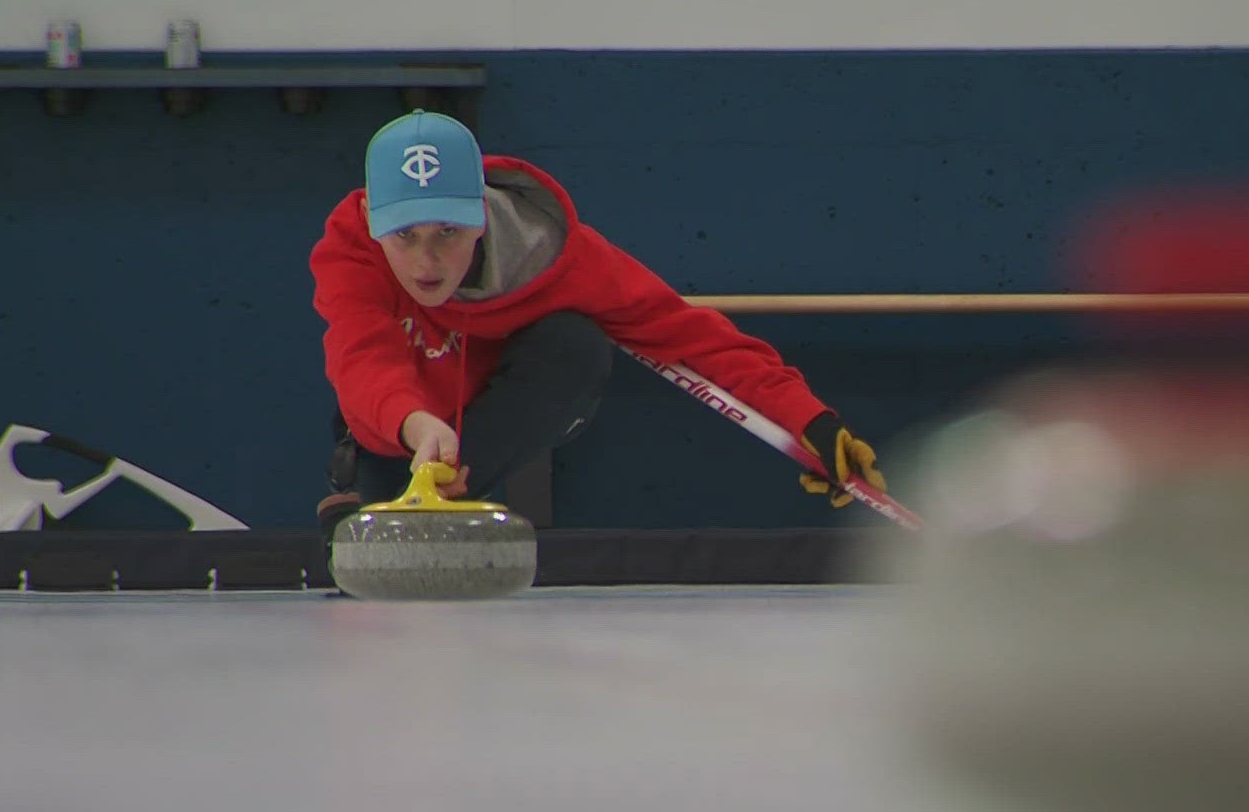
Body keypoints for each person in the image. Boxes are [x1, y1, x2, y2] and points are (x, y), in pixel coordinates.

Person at [310, 109, 885, 535]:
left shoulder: (557, 256)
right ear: (369, 217)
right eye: (404, 236)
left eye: (448, 233)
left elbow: (693, 339)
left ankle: (449, 502)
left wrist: (809, 421)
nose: (427, 262)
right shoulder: (350, 252)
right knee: (350, 554)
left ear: (481, 216)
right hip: (399, 434)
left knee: (574, 342)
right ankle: (387, 502)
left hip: (492, 427)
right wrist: (415, 426)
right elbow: (363, 358)